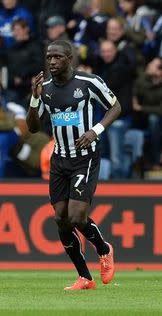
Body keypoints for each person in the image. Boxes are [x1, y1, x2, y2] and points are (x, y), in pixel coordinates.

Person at [26, 40, 120, 290]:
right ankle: (85, 278)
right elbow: (34, 128)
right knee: (60, 219)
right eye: (48, 57)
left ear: (69, 59)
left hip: (85, 157)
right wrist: (35, 100)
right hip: (60, 159)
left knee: (77, 216)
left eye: (57, 57)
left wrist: (95, 130)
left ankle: (104, 249)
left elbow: (115, 106)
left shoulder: (89, 83)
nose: (52, 62)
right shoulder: (44, 88)